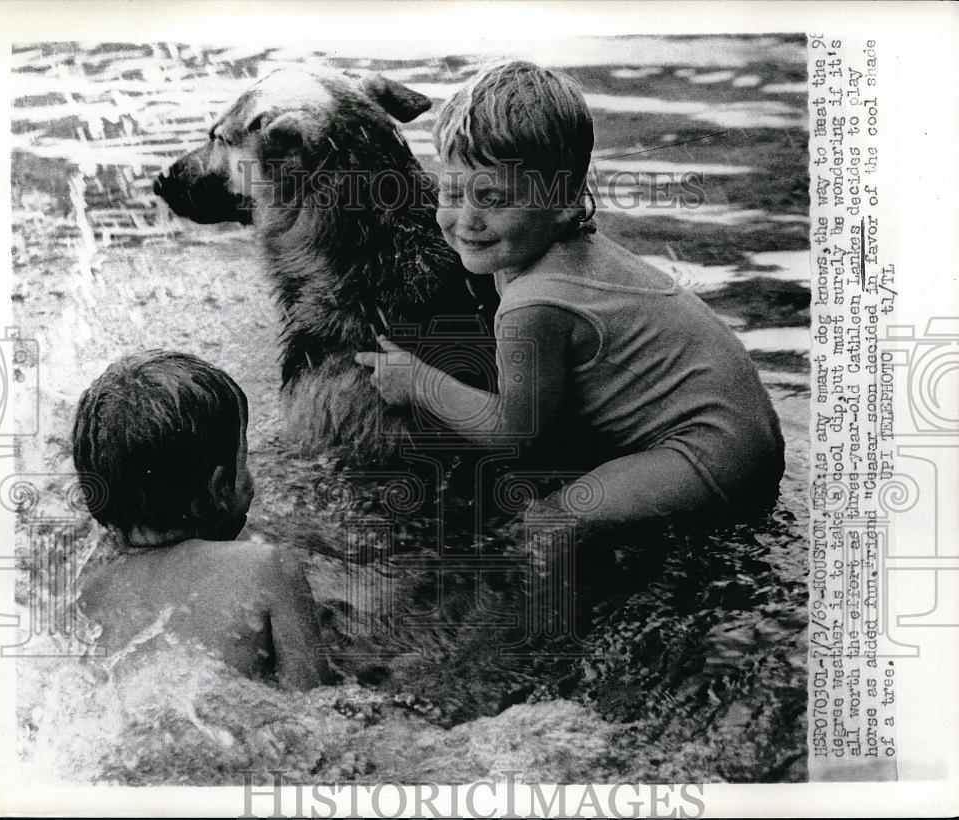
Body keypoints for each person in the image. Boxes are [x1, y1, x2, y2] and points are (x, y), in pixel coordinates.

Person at [355, 61, 785, 540]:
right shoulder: (557, 246)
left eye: (494, 200)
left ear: (563, 204)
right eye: (453, 192)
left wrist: (417, 382)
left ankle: (561, 612)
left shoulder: (534, 304)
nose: (466, 219)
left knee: (548, 522)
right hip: (746, 434)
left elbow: (515, 436)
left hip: (707, 455)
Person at [73, 350, 330, 689]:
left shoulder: (90, 594)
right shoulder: (266, 568)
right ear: (220, 487)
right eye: (245, 461)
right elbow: (312, 704)